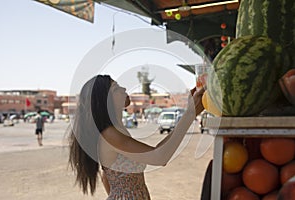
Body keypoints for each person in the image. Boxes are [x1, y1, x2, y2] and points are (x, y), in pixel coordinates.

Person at [68, 75, 204, 199]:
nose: (124, 88)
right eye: (116, 89)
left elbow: (106, 176)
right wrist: (190, 114)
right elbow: (160, 157)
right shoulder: (110, 134)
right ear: (106, 100)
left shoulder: (117, 131)